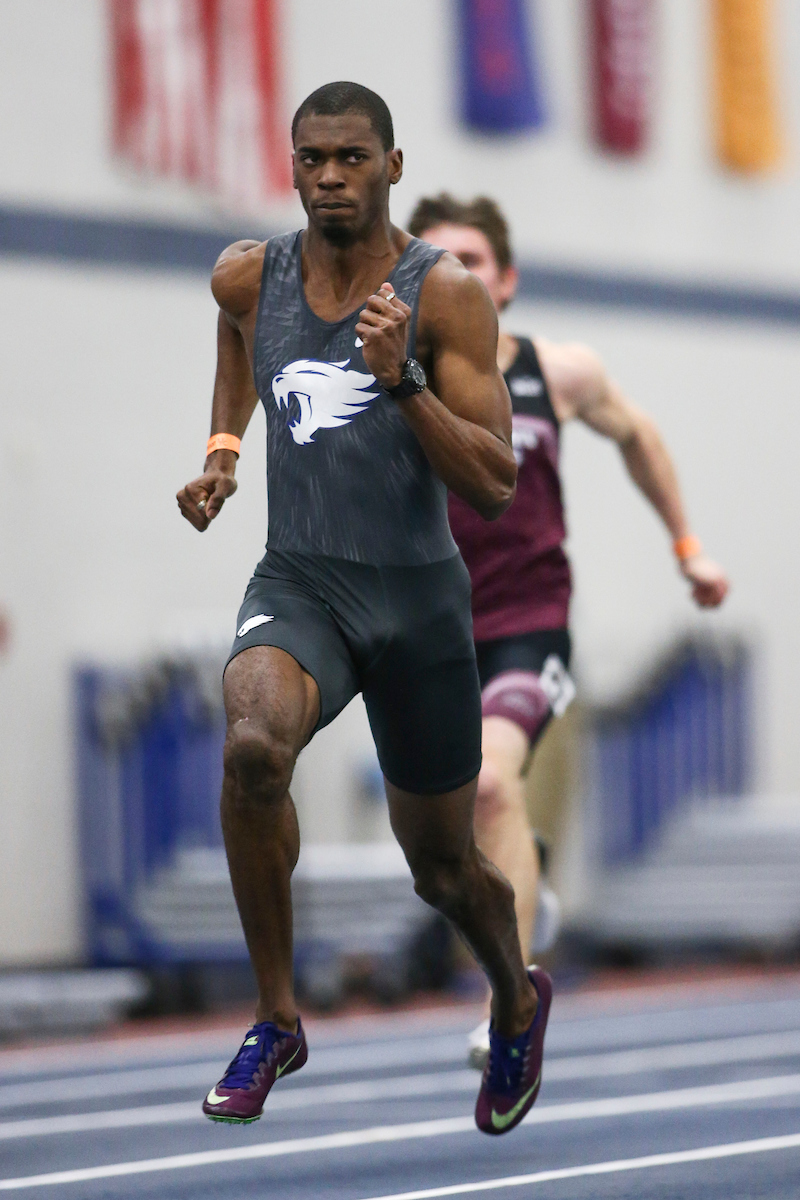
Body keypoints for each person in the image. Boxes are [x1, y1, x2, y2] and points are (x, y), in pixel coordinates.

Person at [177, 84, 550, 1137]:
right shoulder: (250, 275)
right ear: (290, 168)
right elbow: (236, 344)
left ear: (392, 165)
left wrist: (404, 385)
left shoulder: (445, 299)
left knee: (442, 869)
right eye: (311, 159)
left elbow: (491, 484)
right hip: (300, 581)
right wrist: (220, 454)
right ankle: (275, 1018)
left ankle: (515, 997)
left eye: (350, 158)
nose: (329, 176)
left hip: (419, 605)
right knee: (252, 747)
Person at [409, 193, 730, 1067]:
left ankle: (503, 1005)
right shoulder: (384, 376)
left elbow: (638, 432)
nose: (456, 275)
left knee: (489, 790)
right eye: (435, 260)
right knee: (439, 852)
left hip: (526, 624)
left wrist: (687, 546)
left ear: (506, 280)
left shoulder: (559, 372)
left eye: (471, 259)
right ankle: (524, 884)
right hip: (423, 638)